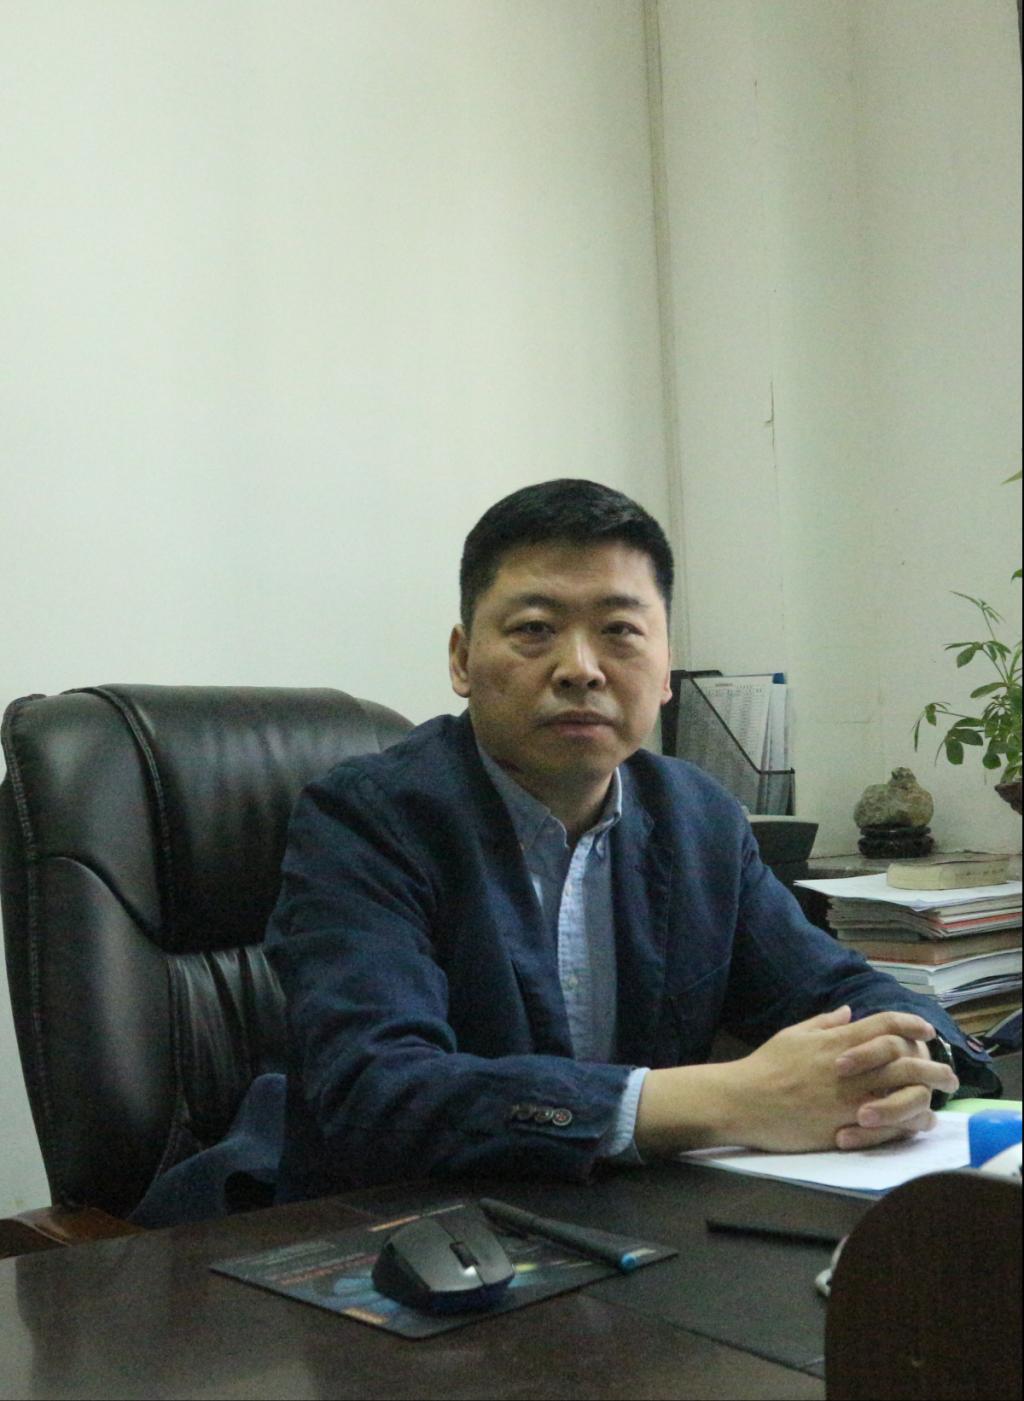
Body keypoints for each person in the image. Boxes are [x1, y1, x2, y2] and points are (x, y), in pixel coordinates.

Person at [264, 479, 997, 1204]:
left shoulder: (699, 818)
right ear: (461, 659)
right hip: (404, 1231)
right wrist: (728, 1098)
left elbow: (833, 989)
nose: (580, 668)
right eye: (534, 629)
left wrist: (908, 1056)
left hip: (634, 1222)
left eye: (619, 631)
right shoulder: (366, 820)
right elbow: (378, 1091)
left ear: (665, 667)